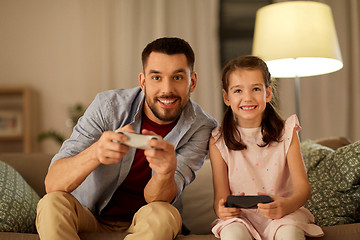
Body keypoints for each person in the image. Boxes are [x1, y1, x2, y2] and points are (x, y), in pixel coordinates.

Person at [36, 37, 217, 240]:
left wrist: (165, 172)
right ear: (143, 81)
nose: (167, 89)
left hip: (147, 222)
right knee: (51, 203)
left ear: (191, 82)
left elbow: (157, 199)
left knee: (164, 214)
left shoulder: (201, 127)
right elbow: (53, 184)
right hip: (91, 216)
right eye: (156, 78)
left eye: (177, 77)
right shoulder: (108, 106)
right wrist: (96, 152)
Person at [209, 55, 324, 240]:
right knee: (233, 234)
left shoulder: (287, 132)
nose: (247, 97)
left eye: (256, 89)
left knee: (289, 234)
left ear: (268, 93)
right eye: (238, 90)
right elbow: (219, 199)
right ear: (226, 97)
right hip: (241, 218)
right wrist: (222, 210)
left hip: (284, 214)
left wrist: (286, 206)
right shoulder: (218, 140)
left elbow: (303, 189)